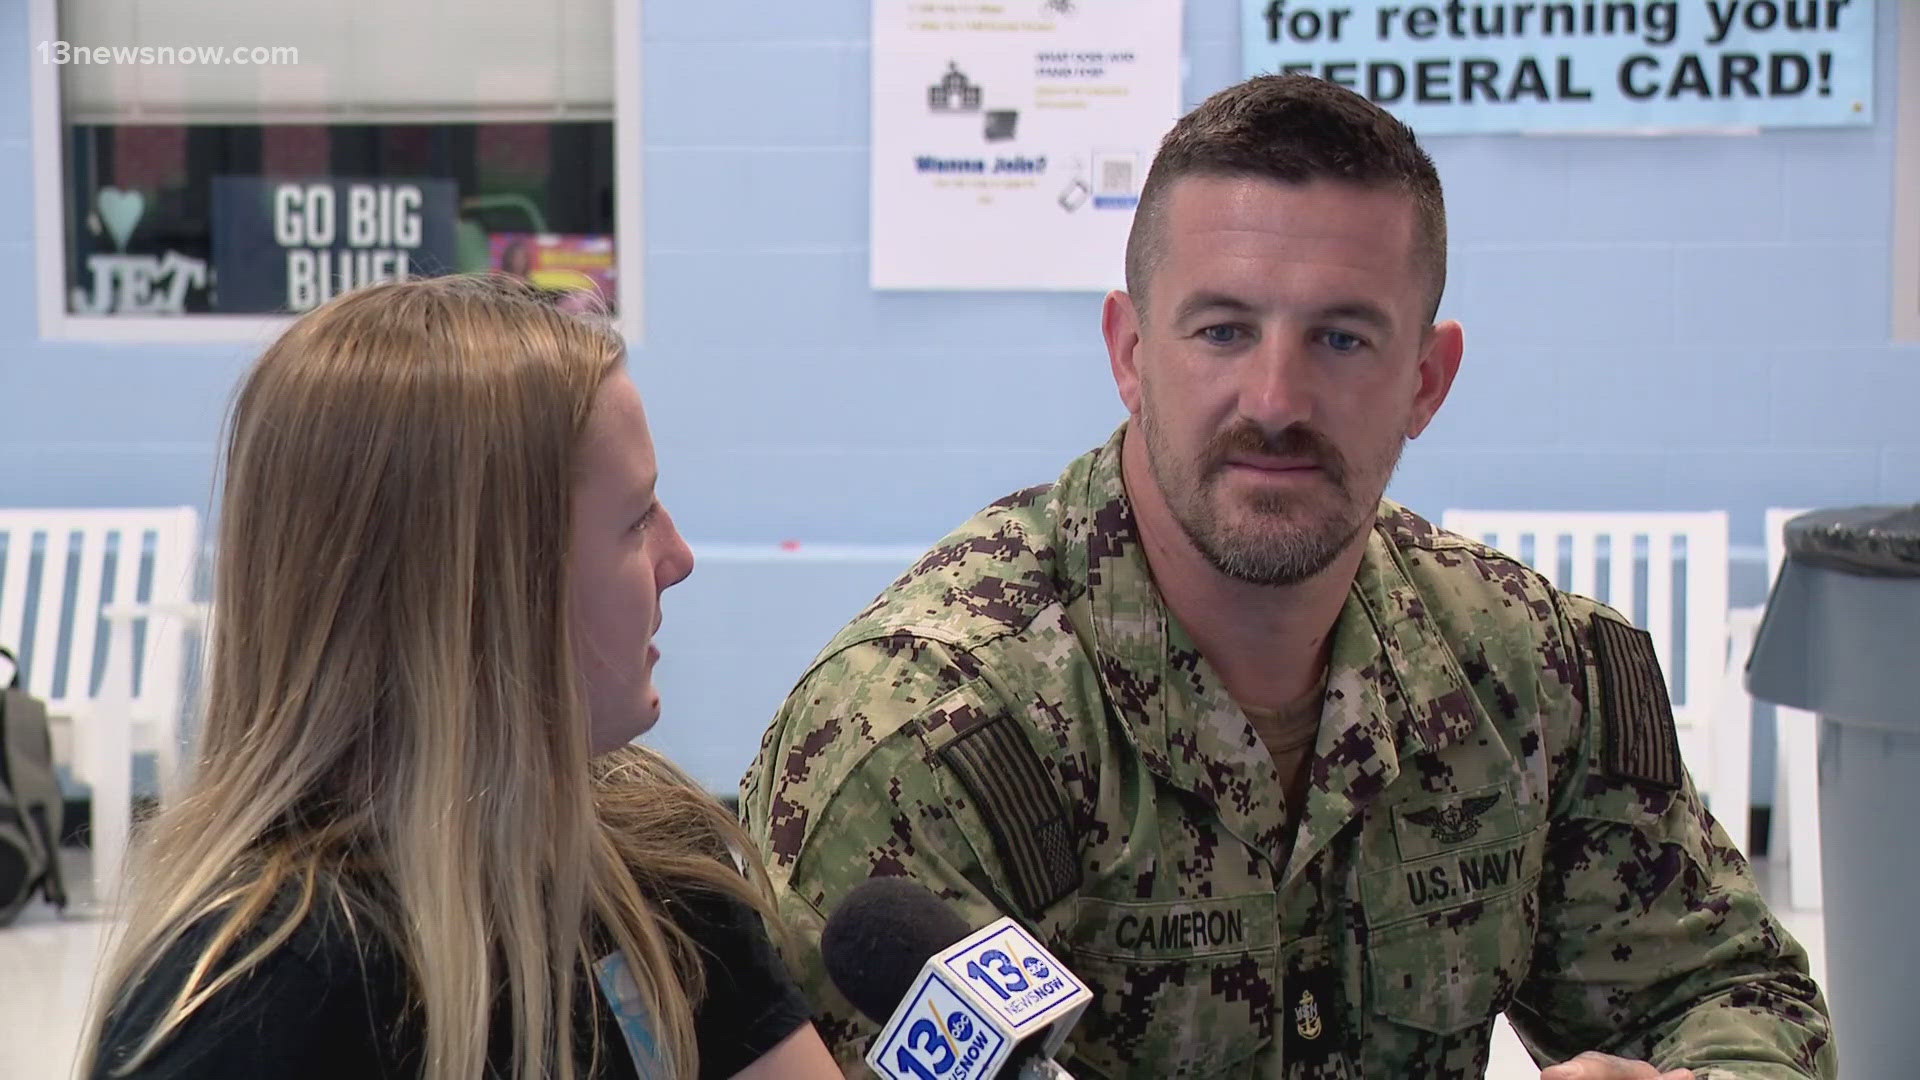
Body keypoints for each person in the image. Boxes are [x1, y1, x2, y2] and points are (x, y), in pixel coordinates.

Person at [742, 75, 1836, 1079]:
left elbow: (1734, 994)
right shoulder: (926, 741)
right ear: (1129, 353)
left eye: (1342, 340)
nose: (1274, 398)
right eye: (1222, 330)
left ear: (1427, 379)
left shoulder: (1528, 670)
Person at [82, 276, 842, 1080]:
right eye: (636, 520)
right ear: (482, 597)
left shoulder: (653, 865)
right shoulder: (256, 1004)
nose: (677, 560)